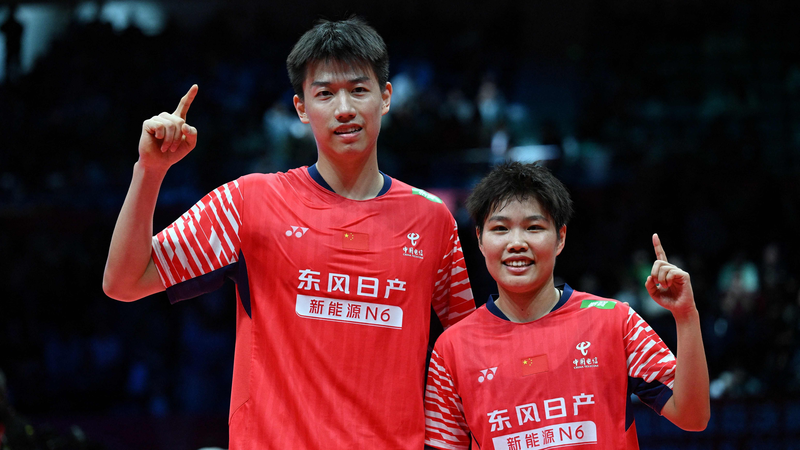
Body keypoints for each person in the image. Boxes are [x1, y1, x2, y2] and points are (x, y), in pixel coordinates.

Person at [103, 17, 475, 449]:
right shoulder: (247, 203)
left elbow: (464, 356)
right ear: (300, 108)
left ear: (385, 97)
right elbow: (124, 282)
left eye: (359, 89)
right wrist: (150, 171)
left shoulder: (432, 220)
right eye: (325, 93)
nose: (344, 109)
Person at [423, 162, 709, 450]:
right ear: (480, 240)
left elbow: (693, 416)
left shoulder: (615, 321)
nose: (517, 243)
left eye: (534, 227)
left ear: (560, 238)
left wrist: (686, 317)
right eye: (500, 228)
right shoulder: (452, 350)